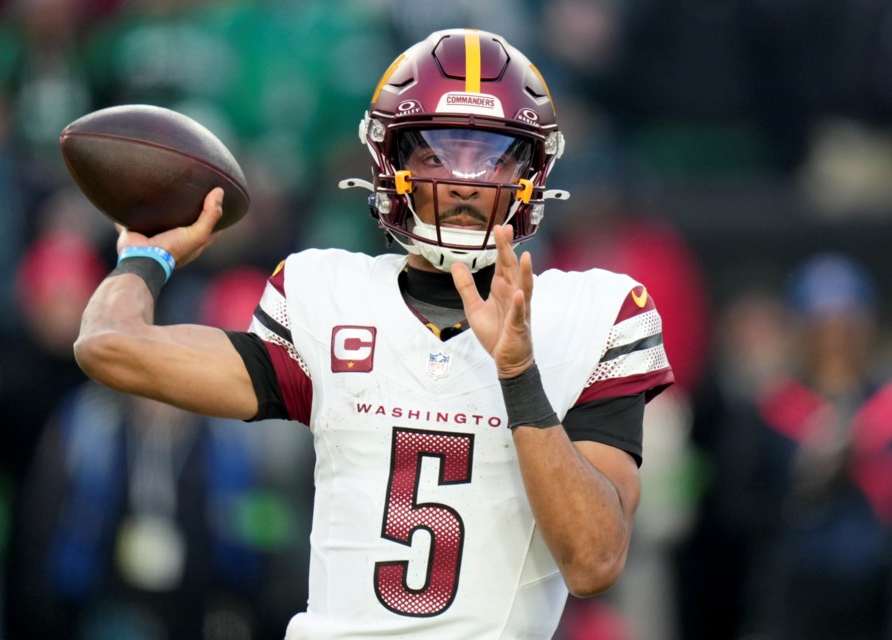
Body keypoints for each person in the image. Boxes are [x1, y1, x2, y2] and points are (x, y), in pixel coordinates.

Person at [74, 28, 674, 639]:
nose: (464, 181)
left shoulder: (591, 314)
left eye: (490, 156)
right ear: (391, 163)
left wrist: (518, 376)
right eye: (438, 152)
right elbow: (107, 347)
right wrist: (146, 259)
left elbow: (595, 562)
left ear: (531, 173)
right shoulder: (329, 296)